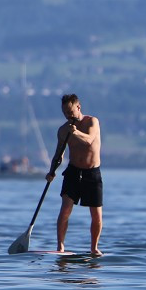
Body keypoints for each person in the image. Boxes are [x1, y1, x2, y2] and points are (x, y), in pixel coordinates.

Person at [46, 94, 102, 255]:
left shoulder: (92, 121)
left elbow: (89, 140)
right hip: (73, 171)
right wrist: (51, 172)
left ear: (78, 107)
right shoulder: (63, 130)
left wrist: (75, 132)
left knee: (96, 214)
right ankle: (60, 247)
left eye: (70, 111)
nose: (68, 116)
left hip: (92, 173)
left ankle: (94, 248)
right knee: (65, 210)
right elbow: (59, 154)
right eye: (65, 113)